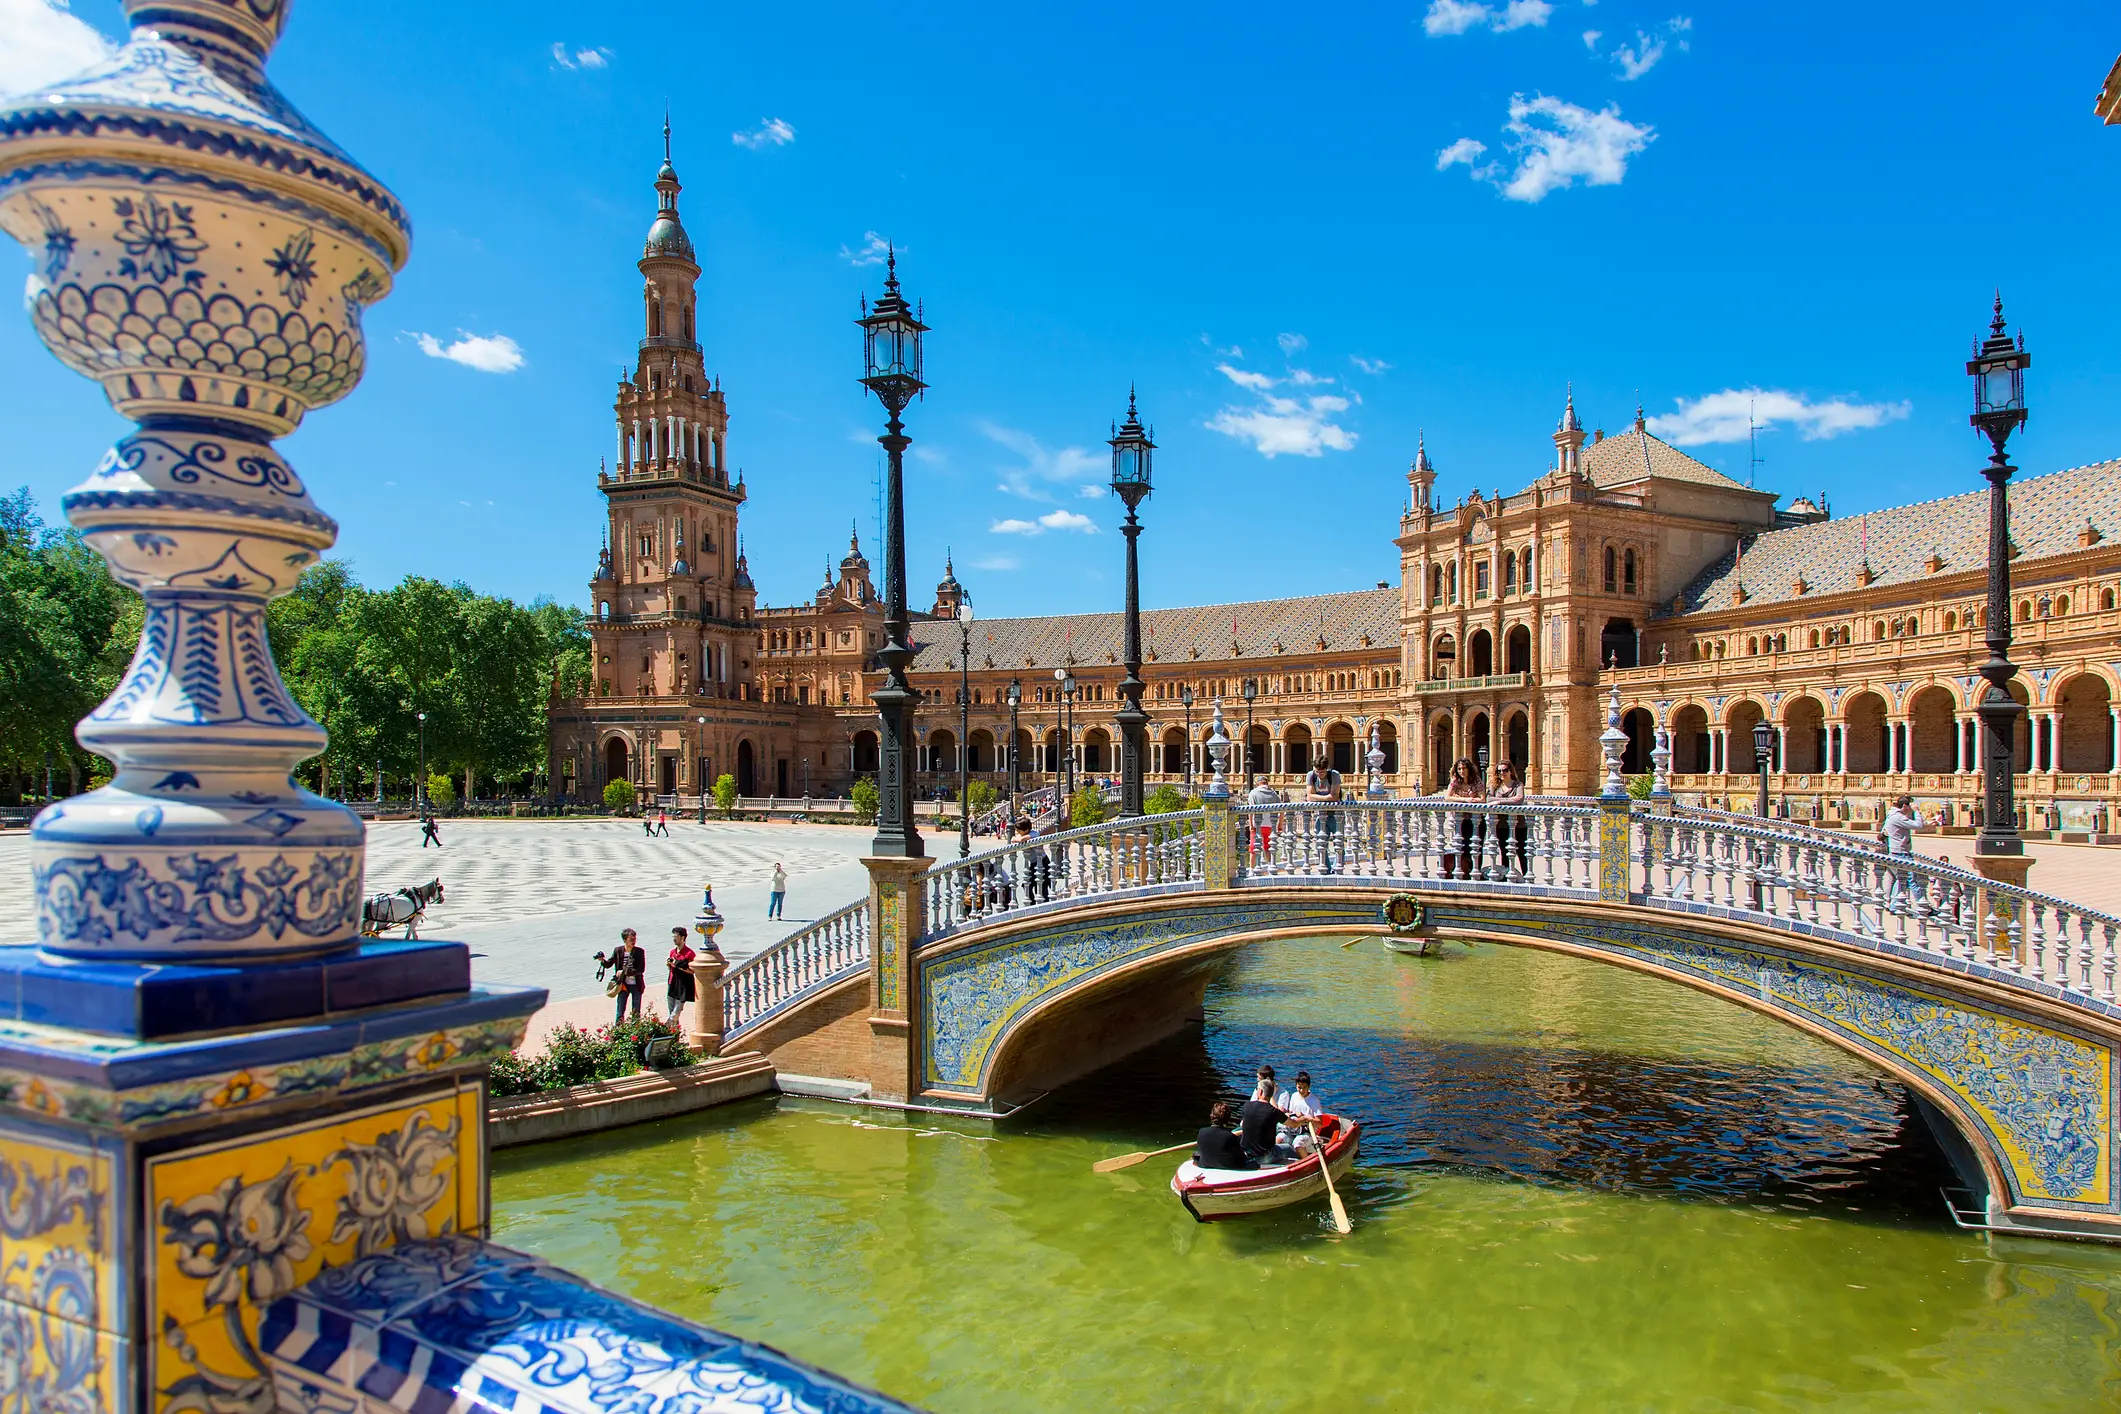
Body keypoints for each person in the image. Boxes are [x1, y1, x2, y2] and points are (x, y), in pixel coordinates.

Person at [1442, 756, 1486, 879]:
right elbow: (1447, 797)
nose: (1461, 771)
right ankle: (1465, 871)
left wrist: (1461, 798)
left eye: (1464, 768)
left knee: (1477, 847)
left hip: (1476, 821)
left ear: (1469, 769)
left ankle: (1476, 871)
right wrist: (1466, 799)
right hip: (1461, 820)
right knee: (1462, 846)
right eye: (1459, 768)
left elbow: (1482, 799)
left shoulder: (1476, 781)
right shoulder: (1456, 781)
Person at [595, 928, 646, 1025]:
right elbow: (609, 964)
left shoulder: (640, 952)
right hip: (622, 985)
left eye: (635, 939)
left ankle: (636, 1032)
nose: (633, 942)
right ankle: (619, 1032)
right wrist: (602, 960)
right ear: (625, 940)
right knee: (620, 1011)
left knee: (636, 1012)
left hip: (636, 985)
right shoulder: (618, 950)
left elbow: (641, 969)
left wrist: (625, 972)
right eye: (631, 940)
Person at [1304, 751, 1344, 873]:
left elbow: (1335, 797)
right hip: (1321, 815)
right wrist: (1327, 797)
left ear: (1327, 769)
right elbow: (1309, 797)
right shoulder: (1311, 775)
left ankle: (1337, 869)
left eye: (1322, 772)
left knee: (1339, 843)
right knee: (1321, 844)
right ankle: (1326, 868)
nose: (1319, 774)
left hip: (1336, 815)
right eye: (1317, 771)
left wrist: (1318, 797)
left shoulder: (1334, 775)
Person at [1488, 759, 1529, 877]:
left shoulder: (1518, 785)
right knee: (1504, 852)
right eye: (1499, 771)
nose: (1502, 773)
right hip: (1501, 825)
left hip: (1518, 824)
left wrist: (1499, 802)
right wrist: (1509, 801)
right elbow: (1488, 799)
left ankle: (1526, 876)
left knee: (1521, 851)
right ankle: (1507, 877)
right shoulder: (1494, 786)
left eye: (1505, 770)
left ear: (1510, 771)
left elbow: (1519, 799)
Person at [1238, 1081, 1293, 1164]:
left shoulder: (1247, 1106)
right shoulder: (1274, 1112)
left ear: (1260, 1091)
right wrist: (1304, 1119)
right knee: (1288, 1148)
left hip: (1246, 1153)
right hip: (1264, 1157)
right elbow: (1294, 1124)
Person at [1194, 1101, 1256, 1171]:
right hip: (1228, 1166)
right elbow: (1241, 1157)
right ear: (1228, 1118)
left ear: (1212, 1115)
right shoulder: (1229, 1136)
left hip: (1204, 1164)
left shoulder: (1202, 1132)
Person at [665, 926, 696, 1030]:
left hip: (683, 985)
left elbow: (693, 971)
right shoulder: (672, 952)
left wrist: (679, 965)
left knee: (676, 1012)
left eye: (676, 937)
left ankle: (665, 1026)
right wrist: (669, 965)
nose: (674, 939)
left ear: (683, 938)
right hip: (672, 983)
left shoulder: (689, 953)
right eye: (673, 936)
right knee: (672, 1012)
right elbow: (671, 969)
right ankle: (674, 1036)